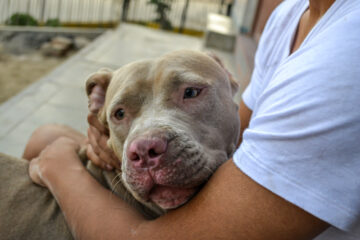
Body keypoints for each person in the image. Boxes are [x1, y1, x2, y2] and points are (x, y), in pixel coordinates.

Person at [28, 0, 360, 239]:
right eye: (117, 113)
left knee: (50, 145)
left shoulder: (346, 45)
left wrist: (60, 169)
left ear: (227, 78)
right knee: (46, 134)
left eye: (190, 93)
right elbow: (240, 131)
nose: (144, 145)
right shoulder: (289, 14)